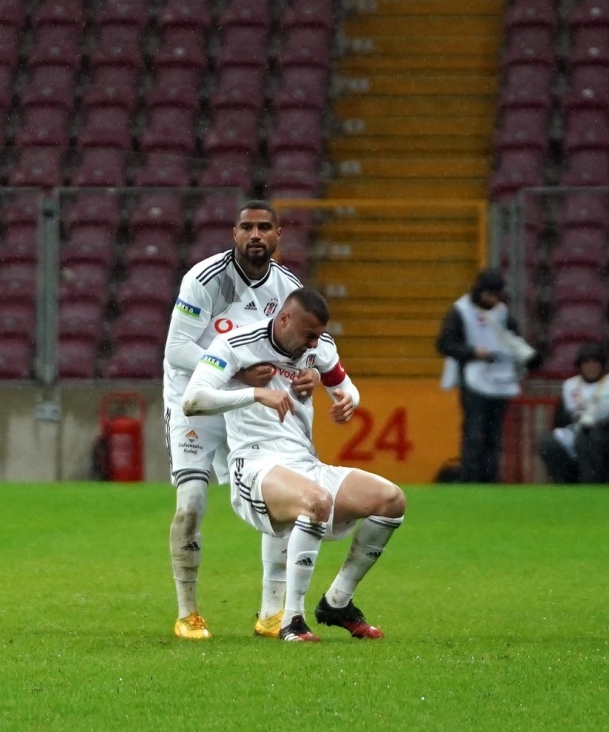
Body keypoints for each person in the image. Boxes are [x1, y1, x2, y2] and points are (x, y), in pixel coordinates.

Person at [182, 287, 406, 642]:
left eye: (319, 336)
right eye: (309, 336)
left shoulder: (318, 348)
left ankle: (337, 602)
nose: (314, 345)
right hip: (254, 466)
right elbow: (193, 400)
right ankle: (292, 620)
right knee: (315, 502)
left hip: (304, 462)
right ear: (284, 319)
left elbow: (346, 387)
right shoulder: (236, 344)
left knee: (391, 500)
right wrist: (255, 393)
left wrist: (348, 401)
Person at [163, 200, 320, 640]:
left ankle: (271, 612)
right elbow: (176, 350)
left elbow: (301, 348)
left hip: (255, 401)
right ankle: (188, 612)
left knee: (280, 498)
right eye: (247, 227)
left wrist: (308, 376)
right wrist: (234, 372)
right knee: (191, 502)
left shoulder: (289, 287)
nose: (255, 235)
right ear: (233, 234)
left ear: (278, 235)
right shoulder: (203, 279)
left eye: (264, 227)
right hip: (198, 397)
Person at [436, 268, 540, 483]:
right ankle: (471, 478)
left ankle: (490, 479)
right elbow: (444, 344)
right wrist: (472, 352)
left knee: (495, 435)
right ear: (479, 291)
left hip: (500, 380)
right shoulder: (460, 311)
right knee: (473, 433)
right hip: (474, 380)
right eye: (489, 295)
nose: (492, 300)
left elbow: (515, 340)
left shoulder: (501, 313)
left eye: (496, 295)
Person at [538, 342, 609, 484]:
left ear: (602, 365)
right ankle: (563, 483)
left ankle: (590, 485)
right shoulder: (570, 386)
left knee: (588, 439)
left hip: (607, 436)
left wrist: (599, 426)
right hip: (575, 431)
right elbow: (560, 420)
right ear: (580, 365)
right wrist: (576, 418)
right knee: (547, 443)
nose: (591, 366)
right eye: (586, 362)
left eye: (595, 362)